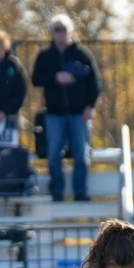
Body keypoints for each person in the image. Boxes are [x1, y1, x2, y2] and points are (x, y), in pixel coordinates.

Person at [31, 15, 99, 202]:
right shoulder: (45, 57)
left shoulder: (82, 54)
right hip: (54, 114)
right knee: (53, 154)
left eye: (64, 29)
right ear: (52, 33)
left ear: (71, 31)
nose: (60, 33)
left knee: (81, 154)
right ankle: (57, 191)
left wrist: (89, 106)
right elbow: (36, 78)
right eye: (56, 29)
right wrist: (55, 77)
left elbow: (95, 83)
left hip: (79, 114)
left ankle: (80, 192)